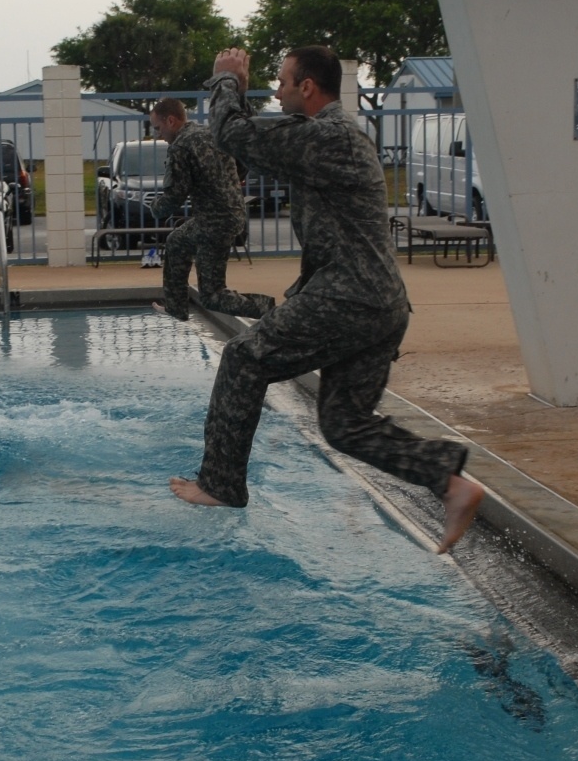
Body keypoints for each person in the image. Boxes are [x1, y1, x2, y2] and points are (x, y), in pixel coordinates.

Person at [169, 46, 483, 555]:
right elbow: (262, 152)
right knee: (343, 425)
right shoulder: (330, 138)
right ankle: (450, 481)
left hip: (351, 297)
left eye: (283, 83)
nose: (277, 90)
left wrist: (226, 80)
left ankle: (220, 484)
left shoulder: (326, 137)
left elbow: (233, 134)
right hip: (378, 304)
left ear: (308, 87)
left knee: (244, 358)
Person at [148, 97, 275, 321]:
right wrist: (229, 183)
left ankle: (268, 309)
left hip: (213, 222)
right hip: (233, 214)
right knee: (177, 241)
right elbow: (241, 162)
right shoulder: (210, 134)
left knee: (212, 295)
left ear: (171, 120)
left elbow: (175, 195)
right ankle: (175, 307)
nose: (159, 135)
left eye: (158, 128)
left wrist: (154, 209)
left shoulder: (180, 146)